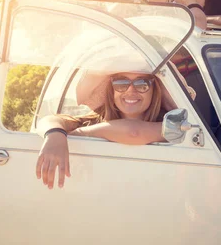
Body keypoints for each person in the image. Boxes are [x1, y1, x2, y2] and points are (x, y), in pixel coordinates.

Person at [35, 62, 170, 190]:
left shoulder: (171, 125)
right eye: (121, 83)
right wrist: (55, 134)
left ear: (154, 90)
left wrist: (82, 133)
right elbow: (48, 120)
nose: (131, 90)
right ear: (111, 90)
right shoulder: (92, 121)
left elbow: (133, 132)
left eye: (142, 84)